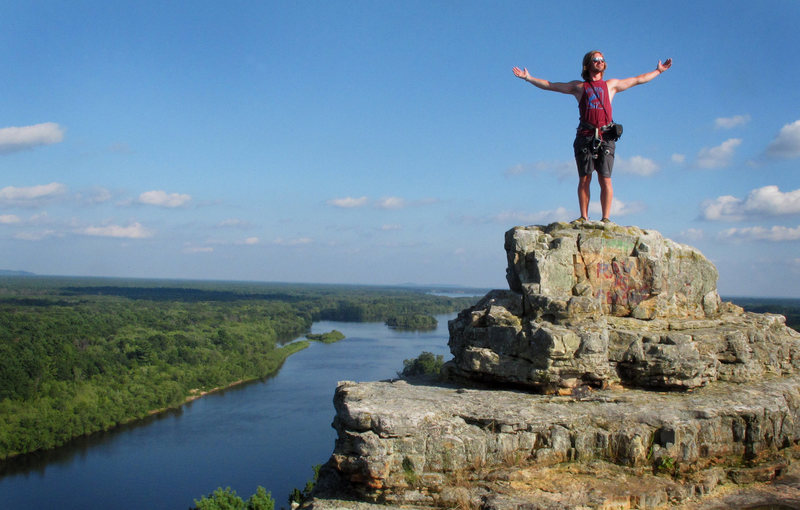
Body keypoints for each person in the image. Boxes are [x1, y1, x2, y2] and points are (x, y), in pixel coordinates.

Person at [512, 51, 672, 223]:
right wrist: (528, 78)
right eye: (595, 60)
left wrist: (658, 71)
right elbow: (551, 85)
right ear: (587, 64)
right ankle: (584, 217)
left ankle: (606, 219)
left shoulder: (611, 85)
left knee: (605, 179)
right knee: (585, 178)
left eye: (602, 60)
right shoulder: (579, 87)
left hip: (606, 137)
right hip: (585, 136)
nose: (599, 62)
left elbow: (638, 79)